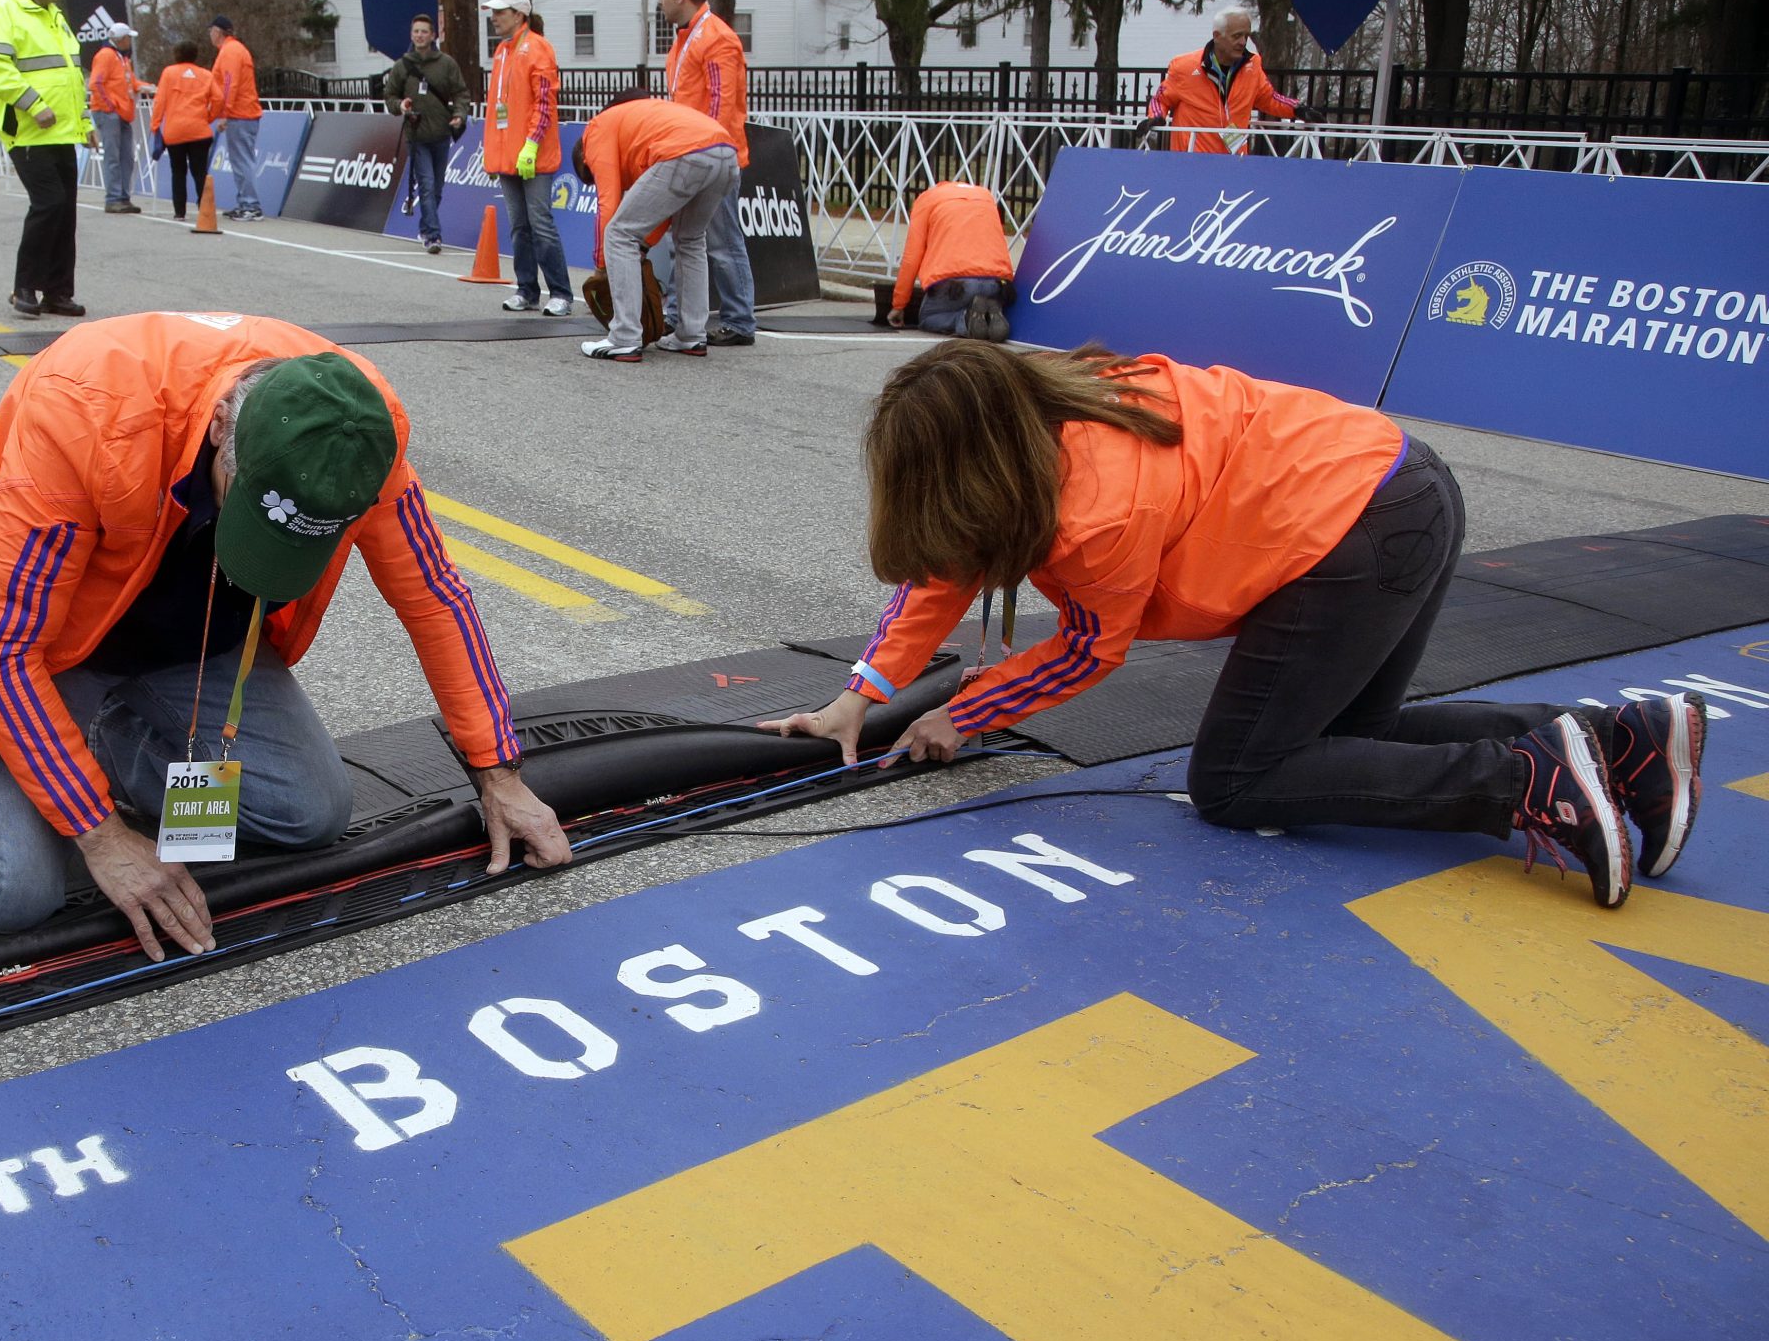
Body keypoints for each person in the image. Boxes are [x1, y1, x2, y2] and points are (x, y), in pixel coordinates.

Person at [767, 342, 1708, 909]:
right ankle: (1618, 739)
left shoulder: (1098, 512)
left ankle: (1526, 782)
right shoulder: (1048, 408)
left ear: (982, 469)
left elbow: (1091, 649)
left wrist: (965, 713)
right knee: (1349, 742)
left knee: (1238, 778)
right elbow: (943, 559)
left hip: (1345, 535)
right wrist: (863, 695)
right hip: (1398, 483)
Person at [0, 312, 574, 950]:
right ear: (221, 428)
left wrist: (498, 775)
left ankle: (86, 738)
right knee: (9, 894)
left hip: (192, 633)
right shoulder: (85, 413)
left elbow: (434, 597)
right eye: (253, 517)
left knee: (309, 814)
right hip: (51, 641)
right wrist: (101, 835)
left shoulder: (352, 434)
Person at [0, 0, 92, 318]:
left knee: (65, 211)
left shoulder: (53, 16)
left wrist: (85, 120)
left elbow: (72, 76)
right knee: (49, 203)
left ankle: (57, 292)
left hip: (64, 131)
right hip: (27, 131)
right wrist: (34, 105)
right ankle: (24, 287)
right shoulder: (0, 12)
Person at [572, 93, 738, 363]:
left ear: (583, 155)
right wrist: (641, 248)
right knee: (691, 240)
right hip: (726, 152)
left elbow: (608, 204)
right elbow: (661, 213)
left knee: (618, 233)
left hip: (684, 151)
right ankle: (691, 334)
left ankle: (624, 337)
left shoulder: (595, 131)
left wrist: (602, 266)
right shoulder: (636, 135)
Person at [654, 0, 756, 348]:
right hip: (692, 153)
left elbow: (721, 105)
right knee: (684, 240)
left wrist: (705, 153)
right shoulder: (688, 38)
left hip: (709, 157)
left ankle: (740, 320)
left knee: (722, 242)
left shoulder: (715, 38)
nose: (660, 0)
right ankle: (677, 315)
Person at [482, 0, 569, 318]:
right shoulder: (502, 52)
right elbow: (498, 109)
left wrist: (532, 144)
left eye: (500, 12)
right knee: (519, 225)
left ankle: (560, 293)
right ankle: (527, 290)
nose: (494, 18)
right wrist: (495, 153)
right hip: (509, 156)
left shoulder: (538, 48)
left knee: (540, 222)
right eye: (493, 12)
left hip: (534, 155)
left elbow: (545, 103)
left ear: (519, 15)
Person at [1136, 7, 1318, 155]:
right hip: (1191, 162)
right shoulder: (1185, 67)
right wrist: (1156, 117)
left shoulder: (1252, 66)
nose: (1243, 42)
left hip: (1234, 163)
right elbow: (1160, 99)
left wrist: (1297, 109)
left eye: (1246, 36)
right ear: (1217, 36)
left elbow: (1268, 98)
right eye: (1236, 36)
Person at [382, 12, 467, 254]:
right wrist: (400, 105)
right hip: (416, 135)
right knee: (427, 184)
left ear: (432, 36)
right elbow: (389, 96)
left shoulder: (446, 64)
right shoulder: (402, 66)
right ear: (411, 35)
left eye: (424, 32)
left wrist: (459, 114)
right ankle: (433, 235)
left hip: (441, 134)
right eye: (416, 31)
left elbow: (461, 93)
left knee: (437, 187)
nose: (420, 35)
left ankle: (425, 226)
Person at [887, 180, 1013, 340]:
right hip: (996, 283)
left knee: (927, 318)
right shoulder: (985, 195)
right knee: (978, 301)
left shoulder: (927, 199)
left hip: (955, 284)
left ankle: (965, 319)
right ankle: (989, 317)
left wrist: (898, 305)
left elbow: (911, 258)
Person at [151, 40, 220, 222]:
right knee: (200, 172)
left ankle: (179, 212)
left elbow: (160, 101)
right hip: (199, 130)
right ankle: (205, 211)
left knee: (178, 171)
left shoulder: (169, 73)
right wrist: (209, 117)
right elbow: (219, 98)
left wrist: (155, 125)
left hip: (175, 131)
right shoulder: (205, 75)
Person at [86, 21, 147, 214]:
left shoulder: (122, 58)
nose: (130, 42)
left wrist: (146, 87)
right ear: (121, 39)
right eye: (128, 38)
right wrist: (110, 106)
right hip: (110, 112)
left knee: (126, 157)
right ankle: (113, 198)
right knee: (113, 156)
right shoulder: (106, 56)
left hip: (121, 112)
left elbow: (130, 82)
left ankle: (123, 196)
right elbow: (96, 83)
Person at [207, 16, 262, 219]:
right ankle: (245, 202)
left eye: (211, 31)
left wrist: (225, 113)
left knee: (242, 160)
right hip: (242, 112)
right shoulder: (233, 49)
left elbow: (230, 84)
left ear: (217, 31)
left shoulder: (230, 51)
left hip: (241, 113)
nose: (210, 35)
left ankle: (250, 205)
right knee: (240, 160)